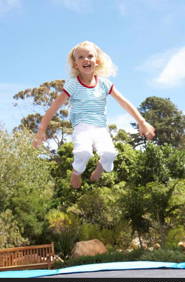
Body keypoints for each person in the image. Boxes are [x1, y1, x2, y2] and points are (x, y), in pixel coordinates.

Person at [32, 41, 155, 188]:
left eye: (90, 56)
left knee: (110, 154)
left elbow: (124, 103)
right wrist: (41, 130)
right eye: (81, 57)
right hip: (82, 127)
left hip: (100, 128)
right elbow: (53, 108)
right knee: (83, 153)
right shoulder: (73, 84)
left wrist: (142, 122)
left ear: (97, 61)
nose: (86, 59)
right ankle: (76, 173)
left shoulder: (104, 84)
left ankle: (100, 168)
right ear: (75, 64)